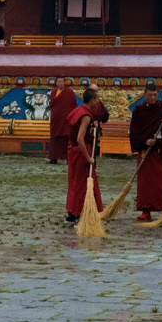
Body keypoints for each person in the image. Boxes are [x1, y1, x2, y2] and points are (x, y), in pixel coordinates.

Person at [128, 83, 162, 222]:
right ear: (144, 95)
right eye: (150, 95)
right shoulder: (139, 110)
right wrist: (145, 142)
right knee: (145, 183)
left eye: (155, 94)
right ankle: (145, 210)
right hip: (146, 151)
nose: (153, 97)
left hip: (161, 151)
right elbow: (135, 132)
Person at [64, 88, 103, 224]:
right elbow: (80, 139)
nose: (98, 101)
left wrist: (93, 128)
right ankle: (78, 214)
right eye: (97, 98)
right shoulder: (86, 116)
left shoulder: (78, 110)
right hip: (80, 153)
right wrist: (89, 158)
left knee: (74, 182)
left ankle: (71, 212)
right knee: (82, 183)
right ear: (92, 100)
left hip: (72, 150)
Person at [46, 76, 77, 165]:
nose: (60, 83)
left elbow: (73, 106)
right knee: (55, 139)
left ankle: (69, 159)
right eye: (58, 81)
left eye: (62, 81)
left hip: (66, 120)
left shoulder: (69, 93)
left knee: (67, 139)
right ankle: (53, 158)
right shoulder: (54, 91)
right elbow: (52, 104)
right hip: (56, 120)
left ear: (64, 82)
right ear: (56, 83)